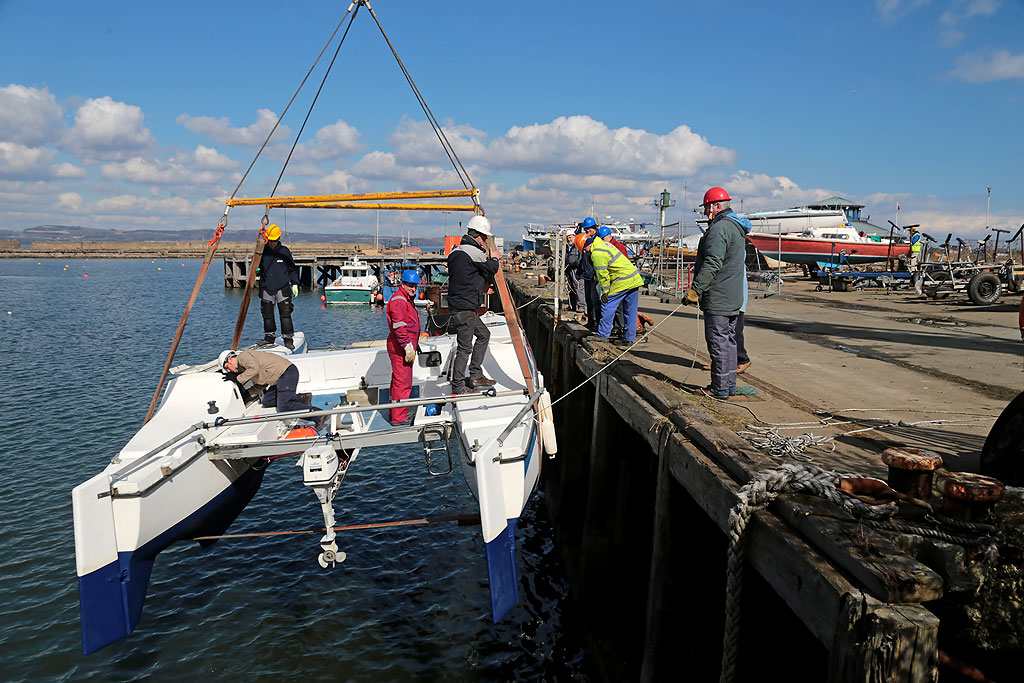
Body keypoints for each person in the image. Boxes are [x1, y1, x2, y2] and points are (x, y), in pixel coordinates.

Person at [685, 187, 747, 398]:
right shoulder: (735, 227)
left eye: (706, 208)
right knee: (729, 342)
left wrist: (695, 290)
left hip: (719, 297)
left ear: (716, 206)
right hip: (733, 296)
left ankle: (719, 388)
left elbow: (712, 263)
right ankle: (728, 384)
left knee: (718, 343)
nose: (704, 213)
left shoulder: (719, 229)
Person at [447, 215, 500, 394]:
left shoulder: (455, 252)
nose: (485, 240)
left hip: (461, 306)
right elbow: (491, 268)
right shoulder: (473, 251)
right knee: (465, 348)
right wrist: (495, 257)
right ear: (478, 236)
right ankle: (459, 387)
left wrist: (482, 287)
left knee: (484, 334)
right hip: (465, 309)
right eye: (485, 237)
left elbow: (466, 277)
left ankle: (476, 375)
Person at [581, 231, 644, 347]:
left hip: (622, 279)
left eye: (584, 249)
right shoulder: (604, 245)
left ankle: (603, 334)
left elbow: (603, 275)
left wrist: (605, 292)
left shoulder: (597, 253)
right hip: (634, 278)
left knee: (607, 304)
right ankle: (628, 338)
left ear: (588, 245)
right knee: (630, 310)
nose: (585, 252)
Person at [219, 348, 312, 414]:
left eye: (227, 367)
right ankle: (302, 398)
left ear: (230, 359)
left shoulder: (243, 357)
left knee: (284, 406)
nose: (229, 371)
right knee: (267, 402)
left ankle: (318, 415)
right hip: (277, 379)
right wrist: (249, 393)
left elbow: (255, 369)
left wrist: (237, 379)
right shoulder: (243, 369)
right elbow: (263, 382)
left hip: (286, 373)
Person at [386, 269, 422, 424]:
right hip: (401, 348)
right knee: (403, 382)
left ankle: (395, 413)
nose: (413, 288)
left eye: (415, 286)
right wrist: (407, 347)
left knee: (398, 381)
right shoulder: (400, 301)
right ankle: (399, 418)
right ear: (403, 284)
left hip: (403, 345)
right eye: (410, 285)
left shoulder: (404, 298)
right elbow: (400, 327)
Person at [258, 223, 300, 350]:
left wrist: (295, 284)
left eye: (274, 241)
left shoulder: (284, 252)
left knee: (285, 313)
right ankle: (269, 337)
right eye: (270, 241)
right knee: (267, 313)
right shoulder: (262, 251)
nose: (272, 243)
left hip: (282, 287)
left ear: (278, 239)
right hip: (267, 286)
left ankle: (288, 339)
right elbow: (257, 266)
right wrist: (255, 269)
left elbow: (292, 269)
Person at [597, 225, 629, 336]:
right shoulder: (608, 246)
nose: (602, 241)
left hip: (620, 280)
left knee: (618, 305)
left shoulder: (618, 246)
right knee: (613, 305)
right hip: (614, 279)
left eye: (602, 238)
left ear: (608, 236)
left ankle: (619, 327)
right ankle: (616, 327)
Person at [577, 218, 601, 330]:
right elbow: (582, 259)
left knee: (595, 300)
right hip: (586, 275)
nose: (587, 232)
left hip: (593, 276)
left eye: (588, 229)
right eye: (586, 230)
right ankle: (591, 321)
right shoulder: (585, 240)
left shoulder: (597, 241)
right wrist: (579, 272)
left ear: (594, 228)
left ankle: (597, 323)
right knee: (588, 300)